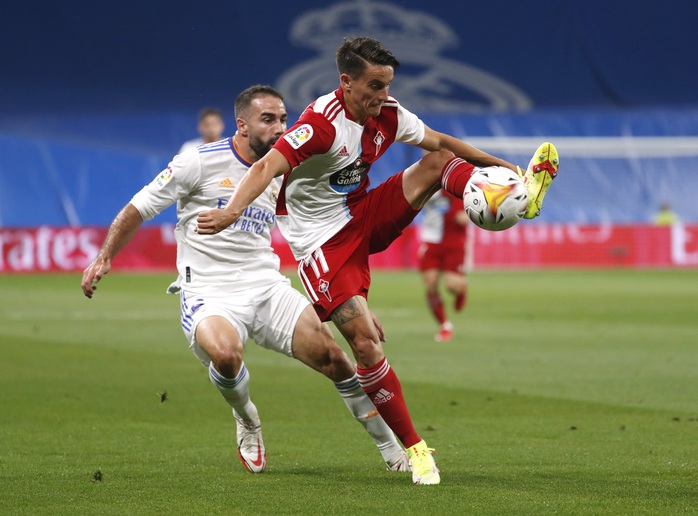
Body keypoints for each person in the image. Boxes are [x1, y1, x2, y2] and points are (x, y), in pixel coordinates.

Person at [196, 37, 560, 485]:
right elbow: (266, 167)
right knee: (365, 342)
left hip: (363, 213)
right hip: (322, 246)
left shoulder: (388, 113)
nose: (382, 96)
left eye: (387, 85)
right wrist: (232, 210)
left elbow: (442, 140)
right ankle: (415, 449)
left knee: (438, 159)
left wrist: (509, 168)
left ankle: (510, 195)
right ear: (346, 83)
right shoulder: (320, 125)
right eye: (373, 86)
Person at [81, 85, 411, 475]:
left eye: (284, 119)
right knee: (225, 355)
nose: (280, 127)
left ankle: (392, 450)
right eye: (268, 119)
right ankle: (248, 419)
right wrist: (104, 257)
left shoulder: (290, 165)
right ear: (242, 124)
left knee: (336, 359)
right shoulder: (198, 163)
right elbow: (139, 206)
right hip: (209, 291)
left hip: (266, 286)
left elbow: (323, 229)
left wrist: (350, 299)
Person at [417, 189, 471, 342]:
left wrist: (468, 215)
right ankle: (445, 326)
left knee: (451, 286)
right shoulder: (425, 183)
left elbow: (478, 204)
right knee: (430, 286)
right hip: (430, 240)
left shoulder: (458, 184)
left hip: (454, 242)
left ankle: (461, 288)